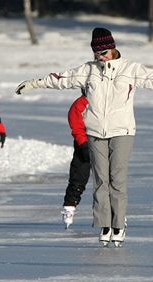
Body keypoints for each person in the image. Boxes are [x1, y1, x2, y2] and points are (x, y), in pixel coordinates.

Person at [15, 27, 153, 246]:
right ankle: (105, 224)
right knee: (101, 180)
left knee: (117, 179)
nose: (101, 56)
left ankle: (119, 224)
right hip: (95, 132)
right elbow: (60, 79)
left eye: (104, 52)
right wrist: (34, 83)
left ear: (113, 48)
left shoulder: (131, 69)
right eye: (97, 53)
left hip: (122, 131)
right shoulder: (88, 70)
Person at [61, 90, 91, 229]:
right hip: (84, 143)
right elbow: (75, 122)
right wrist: (83, 143)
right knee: (79, 176)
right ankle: (69, 206)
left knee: (108, 179)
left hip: (105, 142)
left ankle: (113, 213)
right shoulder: (82, 102)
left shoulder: (109, 100)